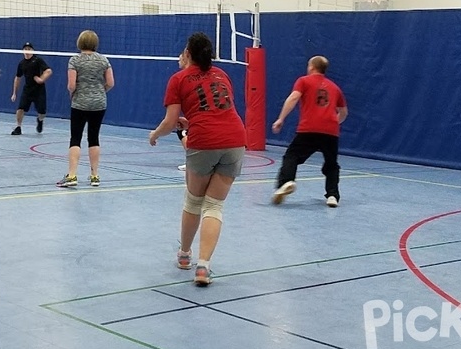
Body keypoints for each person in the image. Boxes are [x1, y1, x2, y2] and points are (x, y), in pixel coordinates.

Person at [149, 32, 246, 287]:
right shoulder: (222, 74)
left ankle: (184, 256)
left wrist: (156, 134)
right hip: (236, 138)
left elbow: (170, 122)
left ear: (188, 54)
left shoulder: (178, 79)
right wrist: (192, 119)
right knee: (214, 206)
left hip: (204, 141)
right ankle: (203, 267)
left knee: (194, 201)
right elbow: (218, 110)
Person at [270, 55, 348, 207]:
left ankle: (286, 182)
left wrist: (281, 119)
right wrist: (333, 123)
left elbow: (293, 98)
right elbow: (344, 112)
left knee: (292, 156)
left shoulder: (304, 81)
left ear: (311, 67)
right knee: (331, 164)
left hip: (309, 128)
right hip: (331, 130)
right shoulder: (334, 87)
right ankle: (332, 195)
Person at [57, 30, 114, 188]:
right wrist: (99, 92)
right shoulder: (104, 60)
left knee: (75, 138)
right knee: (94, 138)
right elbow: (110, 82)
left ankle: (72, 175)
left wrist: (73, 94)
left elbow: (71, 85)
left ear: (80, 42)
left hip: (80, 103)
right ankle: (95, 176)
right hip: (99, 104)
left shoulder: (75, 60)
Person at [10, 42, 51, 135]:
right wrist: (14, 93)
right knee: (20, 108)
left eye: (29, 49)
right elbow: (18, 78)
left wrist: (41, 79)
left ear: (32, 50)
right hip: (27, 89)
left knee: (42, 112)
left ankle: (40, 120)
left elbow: (48, 71)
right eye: (25, 49)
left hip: (39, 89)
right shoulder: (21, 64)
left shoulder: (38, 60)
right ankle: (18, 127)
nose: (27, 51)